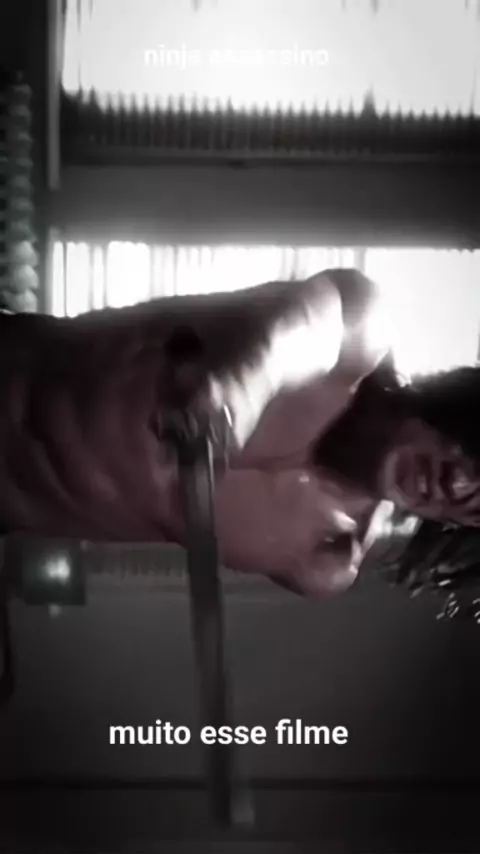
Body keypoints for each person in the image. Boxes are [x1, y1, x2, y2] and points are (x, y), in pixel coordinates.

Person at [1, 268, 479, 613]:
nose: (456, 483)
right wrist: (236, 394)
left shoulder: (323, 558)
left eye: (477, 506)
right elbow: (288, 337)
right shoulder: (357, 338)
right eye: (475, 452)